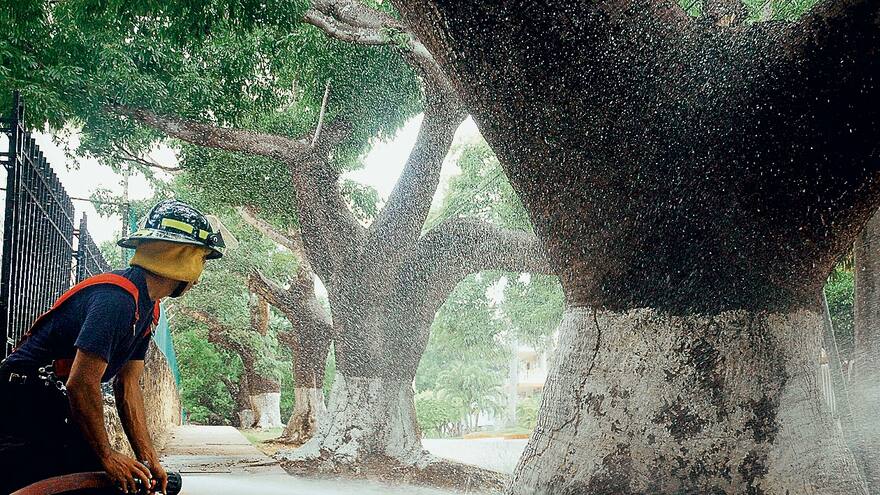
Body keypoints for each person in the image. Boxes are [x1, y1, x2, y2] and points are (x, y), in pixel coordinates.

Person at [0, 199, 224, 494]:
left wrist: (147, 458)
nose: (199, 274)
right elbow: (81, 383)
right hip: (20, 404)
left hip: (50, 404)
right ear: (180, 258)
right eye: (201, 259)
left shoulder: (147, 309)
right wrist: (108, 457)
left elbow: (128, 386)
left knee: (129, 482)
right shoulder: (117, 300)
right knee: (88, 482)